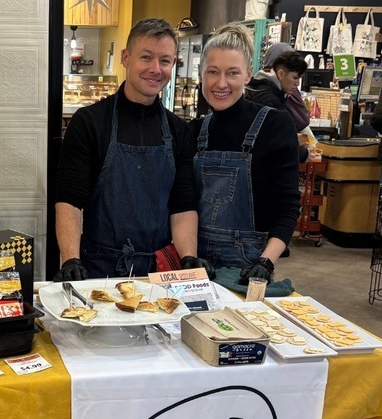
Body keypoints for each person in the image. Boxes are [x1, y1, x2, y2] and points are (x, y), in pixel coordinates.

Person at [53, 18, 212, 281]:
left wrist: (188, 258)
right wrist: (71, 259)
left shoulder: (178, 131)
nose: (155, 69)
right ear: (126, 58)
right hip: (95, 269)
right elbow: (70, 199)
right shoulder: (90, 121)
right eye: (146, 57)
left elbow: (182, 205)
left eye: (164, 60)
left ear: (173, 64)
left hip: (156, 274)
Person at [190, 23, 300, 284]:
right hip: (197, 267)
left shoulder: (275, 125)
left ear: (248, 75)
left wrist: (266, 261)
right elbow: (182, 204)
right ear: (201, 73)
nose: (221, 83)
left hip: (250, 268)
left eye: (233, 73)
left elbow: (287, 207)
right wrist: (188, 255)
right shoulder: (193, 131)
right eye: (213, 72)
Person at [246, 44, 313, 163]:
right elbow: (274, 142)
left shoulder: (261, 89)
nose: (297, 84)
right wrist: (302, 154)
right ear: (281, 74)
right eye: (295, 78)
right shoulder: (268, 99)